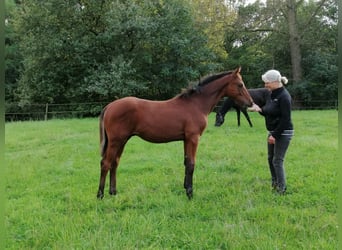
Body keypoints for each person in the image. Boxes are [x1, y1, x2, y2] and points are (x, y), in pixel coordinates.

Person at [248, 69, 294, 195]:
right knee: (270, 159)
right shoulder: (272, 94)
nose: (265, 85)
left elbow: (286, 119)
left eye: (267, 82)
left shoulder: (284, 96)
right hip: (273, 131)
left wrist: (275, 135)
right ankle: (275, 184)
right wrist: (259, 110)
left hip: (283, 132)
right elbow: (269, 112)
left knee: (277, 160)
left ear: (274, 82)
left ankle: (282, 189)